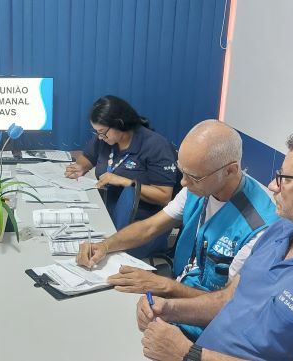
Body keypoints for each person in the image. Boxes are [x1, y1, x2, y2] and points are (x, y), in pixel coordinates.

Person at [136, 125, 293, 361]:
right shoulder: (282, 230)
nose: (272, 185)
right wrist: (170, 308)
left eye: (285, 179)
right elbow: (231, 299)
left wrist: (189, 354)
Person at [77, 119, 278, 340]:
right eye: (182, 171)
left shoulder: (261, 228)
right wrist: (104, 245)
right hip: (174, 305)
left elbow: (225, 305)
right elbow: (151, 227)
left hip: (209, 330)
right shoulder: (199, 185)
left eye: (192, 177)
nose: (182, 183)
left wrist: (165, 287)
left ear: (230, 171)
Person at [64, 95, 178, 223]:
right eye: (96, 132)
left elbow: (164, 196)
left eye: (102, 132)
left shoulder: (156, 146)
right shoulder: (104, 139)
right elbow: (87, 158)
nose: (100, 137)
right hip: (104, 211)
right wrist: (81, 167)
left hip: (139, 223)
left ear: (120, 123)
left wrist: (124, 182)